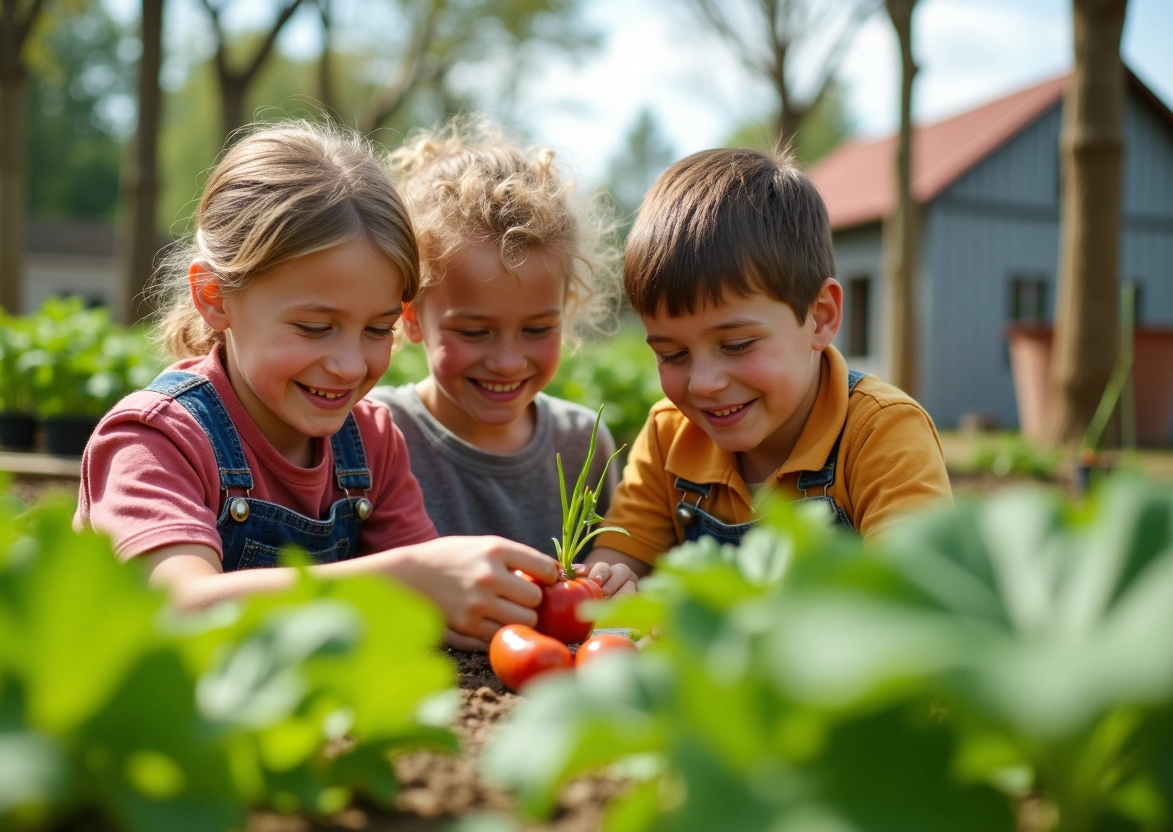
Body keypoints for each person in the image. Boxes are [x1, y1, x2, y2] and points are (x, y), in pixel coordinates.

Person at [76, 121, 562, 652]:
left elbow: (432, 609)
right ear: (214, 296)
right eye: (315, 327)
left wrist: (543, 596)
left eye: (379, 329)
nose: (351, 366)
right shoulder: (156, 441)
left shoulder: (371, 443)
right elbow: (179, 608)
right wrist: (401, 578)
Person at [585, 146, 953, 595]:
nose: (704, 383)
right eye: (672, 354)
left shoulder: (881, 433)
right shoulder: (669, 435)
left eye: (737, 345)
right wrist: (610, 580)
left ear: (820, 317)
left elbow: (914, 592)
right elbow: (625, 548)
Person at [368, 117, 625, 560]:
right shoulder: (375, 433)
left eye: (538, 329)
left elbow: (612, 574)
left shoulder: (583, 442)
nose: (507, 362)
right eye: (474, 332)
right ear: (410, 316)